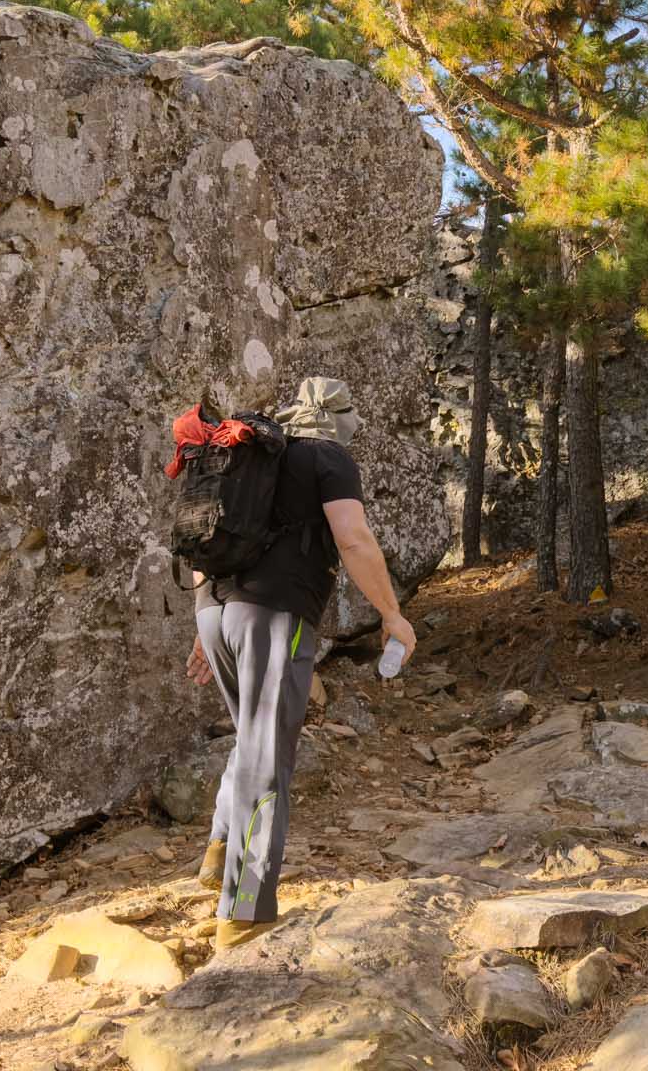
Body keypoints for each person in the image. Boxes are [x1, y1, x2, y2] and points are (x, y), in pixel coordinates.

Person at [182, 375, 417, 949]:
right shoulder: (326, 456)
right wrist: (392, 614)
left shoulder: (247, 457)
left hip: (214, 607)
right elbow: (353, 538)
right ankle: (243, 914)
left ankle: (219, 856)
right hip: (273, 614)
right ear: (337, 420)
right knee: (268, 755)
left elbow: (199, 541)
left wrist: (200, 624)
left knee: (250, 736)